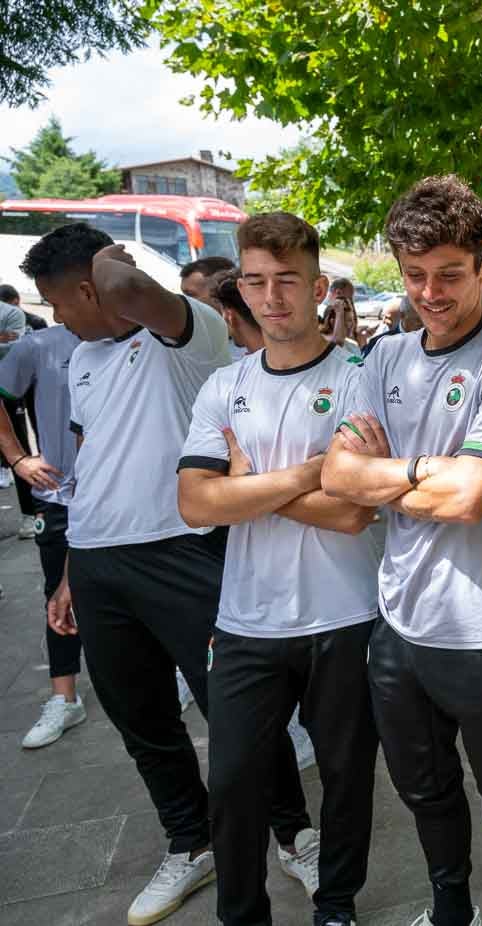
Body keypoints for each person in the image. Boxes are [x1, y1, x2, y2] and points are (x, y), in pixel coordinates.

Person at [25, 222, 315, 926]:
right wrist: (68, 571)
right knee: (140, 718)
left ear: (96, 287)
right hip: (99, 563)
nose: (57, 317)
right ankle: (191, 842)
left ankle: (295, 834)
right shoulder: (82, 359)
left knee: (239, 712)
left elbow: (132, 293)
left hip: (183, 554)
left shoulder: (186, 340)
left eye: (62, 302)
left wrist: (112, 260)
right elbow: (94, 464)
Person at [322, 174, 482, 926]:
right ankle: (451, 911)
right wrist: (434, 471)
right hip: (399, 625)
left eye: (449, 274)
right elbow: (336, 476)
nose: (430, 292)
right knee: (424, 793)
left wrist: (389, 476)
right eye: (414, 274)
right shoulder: (384, 356)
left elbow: (468, 499)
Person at [177, 212, 380, 926]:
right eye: (256, 282)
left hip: (345, 614)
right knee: (232, 780)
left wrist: (252, 485)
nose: (271, 297)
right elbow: (197, 503)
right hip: (246, 622)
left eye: (287, 280)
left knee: (346, 777)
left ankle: (337, 903)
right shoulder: (222, 387)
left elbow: (355, 513)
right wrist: (306, 474)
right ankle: (243, 914)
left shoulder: (360, 377)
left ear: (317, 286)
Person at [0, 291, 84, 749]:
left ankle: (177, 676)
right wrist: (17, 459)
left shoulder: (142, 339)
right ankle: (64, 695)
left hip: (128, 496)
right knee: (57, 592)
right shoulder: (38, 347)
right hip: (60, 494)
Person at [0, 285, 29, 503]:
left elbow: (14, 347)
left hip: (9, 388)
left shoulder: (11, 313)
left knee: (18, 445)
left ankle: (31, 511)